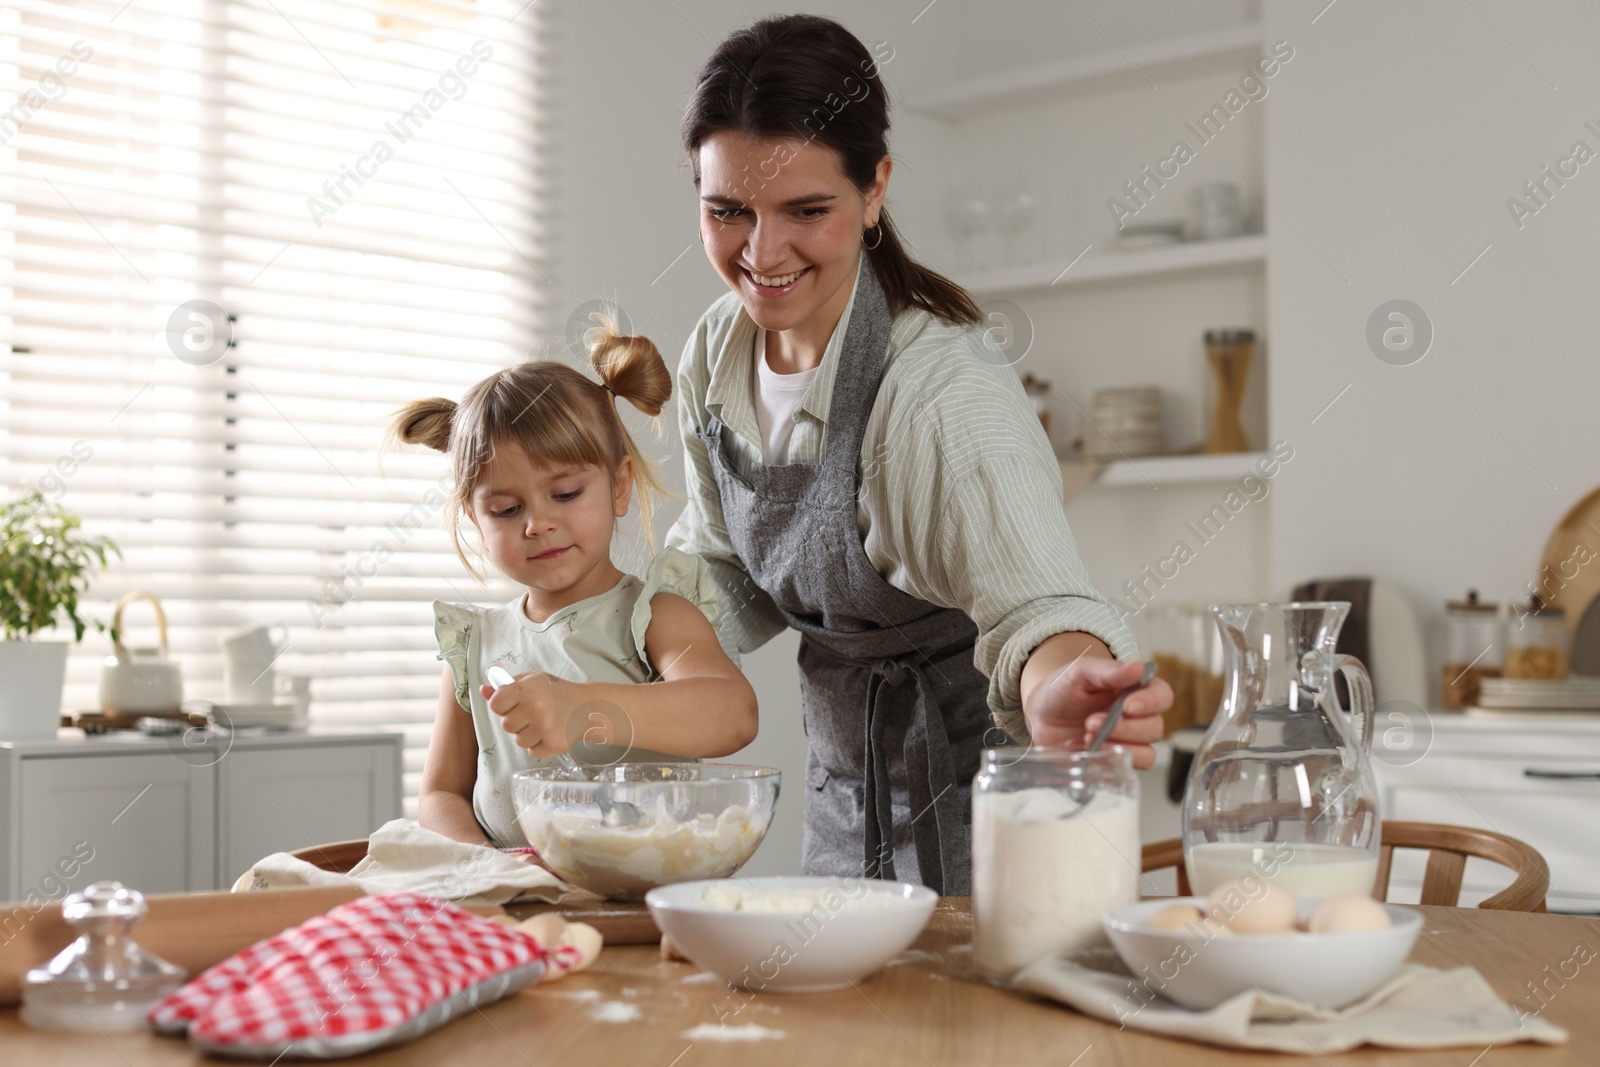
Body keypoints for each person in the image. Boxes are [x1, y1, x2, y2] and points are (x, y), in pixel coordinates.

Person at [666, 14, 1174, 894]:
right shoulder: (716, 354)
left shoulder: (941, 389)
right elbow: (724, 561)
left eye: (806, 210)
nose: (761, 252)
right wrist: (599, 634)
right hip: (842, 794)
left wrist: (1067, 682)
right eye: (727, 211)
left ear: (874, 192)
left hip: (1000, 804)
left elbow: (1041, 601)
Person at [394, 323, 758, 849]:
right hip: (518, 894)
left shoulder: (655, 615)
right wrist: (490, 870)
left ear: (619, 486)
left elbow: (733, 714)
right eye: (506, 509)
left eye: (564, 493)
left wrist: (580, 709)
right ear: (476, 521)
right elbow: (440, 796)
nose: (537, 524)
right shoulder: (475, 644)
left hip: (642, 885)